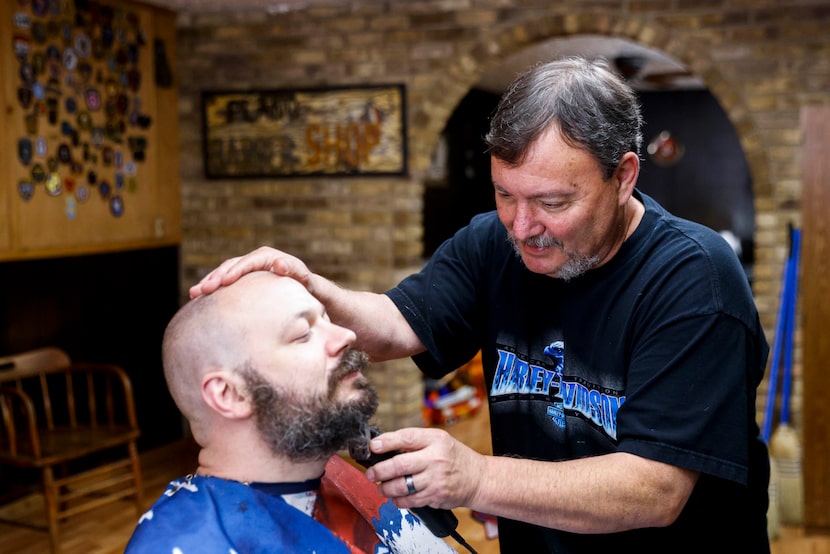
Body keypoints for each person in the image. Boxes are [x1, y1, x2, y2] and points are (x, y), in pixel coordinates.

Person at [190, 56, 771, 552]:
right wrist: (316, 291)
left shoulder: (695, 280)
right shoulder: (495, 243)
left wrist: (476, 477)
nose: (522, 227)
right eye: (504, 194)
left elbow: (655, 489)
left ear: (622, 178)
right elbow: (396, 325)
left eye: (551, 202)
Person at [126, 271, 457, 554]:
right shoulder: (190, 542)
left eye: (327, 320)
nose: (347, 336)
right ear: (229, 394)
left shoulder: (337, 475)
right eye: (302, 334)